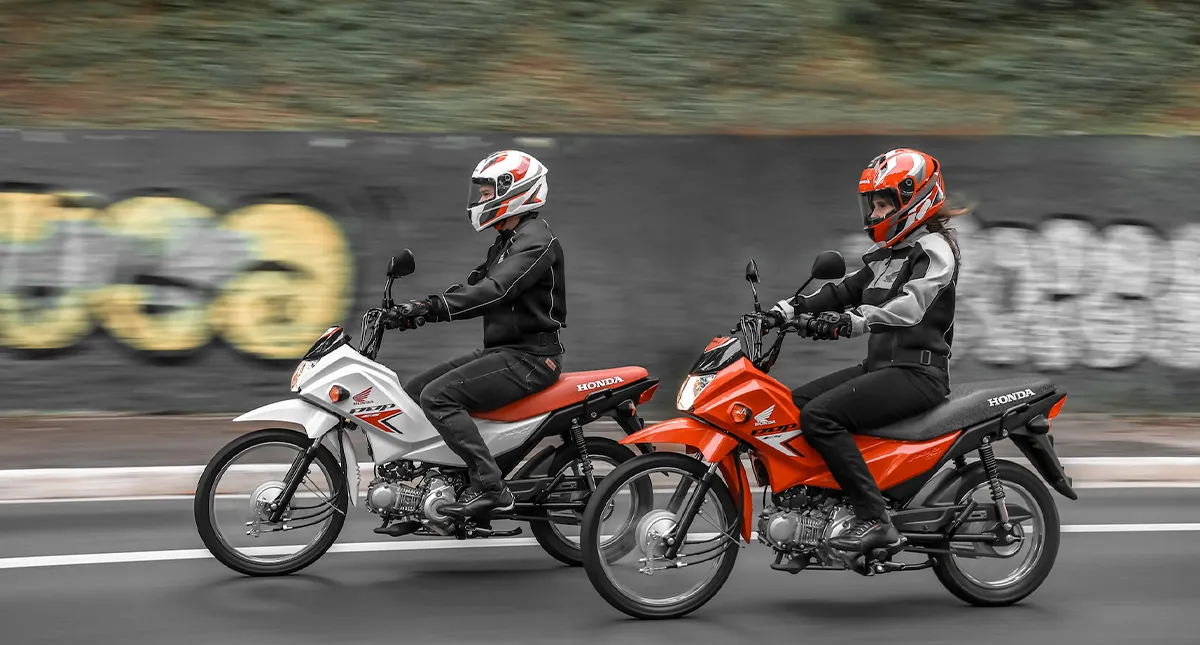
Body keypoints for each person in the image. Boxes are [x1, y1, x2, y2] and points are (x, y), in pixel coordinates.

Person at [765, 147, 969, 554]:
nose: (874, 214)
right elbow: (845, 290)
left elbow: (912, 305)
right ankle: (819, 513)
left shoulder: (935, 251)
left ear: (913, 198)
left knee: (821, 416)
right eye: (872, 204)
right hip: (881, 367)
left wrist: (857, 320)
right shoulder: (888, 255)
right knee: (791, 404)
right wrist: (790, 309)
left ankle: (876, 519)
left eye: (883, 203)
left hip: (918, 374)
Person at [392, 149, 566, 520]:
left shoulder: (536, 241)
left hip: (530, 358)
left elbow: (496, 290)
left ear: (514, 190)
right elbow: (474, 287)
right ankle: (441, 481)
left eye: (488, 192)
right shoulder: (507, 242)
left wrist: (434, 307)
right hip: (503, 352)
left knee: (438, 397)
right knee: (415, 390)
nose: (481, 200)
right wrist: (415, 309)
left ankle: (491, 488)